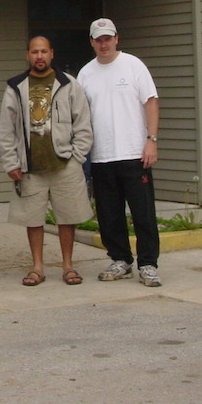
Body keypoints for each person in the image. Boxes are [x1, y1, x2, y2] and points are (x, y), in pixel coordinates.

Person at [0, 36, 93, 287]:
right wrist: (11, 162)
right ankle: (37, 267)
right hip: (31, 167)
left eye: (43, 52)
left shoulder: (68, 84)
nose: (39, 56)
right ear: (27, 55)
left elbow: (83, 124)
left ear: (52, 53)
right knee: (33, 218)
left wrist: (77, 158)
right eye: (34, 52)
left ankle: (68, 266)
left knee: (67, 217)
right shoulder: (16, 87)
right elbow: (6, 130)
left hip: (64, 164)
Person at [77, 18, 162, 287]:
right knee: (109, 215)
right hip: (101, 157)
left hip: (134, 154)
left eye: (108, 38)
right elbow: (78, 115)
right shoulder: (85, 74)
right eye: (98, 39)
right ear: (91, 42)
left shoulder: (133, 65)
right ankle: (120, 260)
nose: (104, 44)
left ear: (116, 39)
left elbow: (151, 103)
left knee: (143, 213)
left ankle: (147, 264)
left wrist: (151, 140)